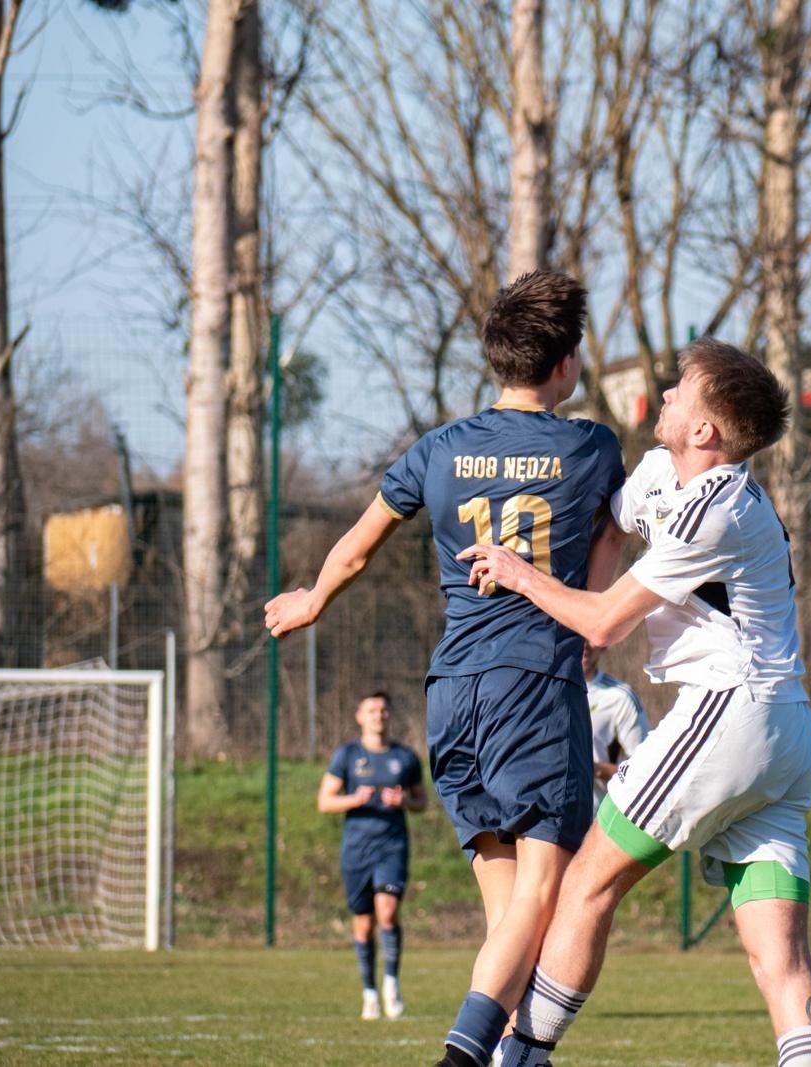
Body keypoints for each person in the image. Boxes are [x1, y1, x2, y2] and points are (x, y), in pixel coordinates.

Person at [266, 270, 626, 1067]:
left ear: (496, 357)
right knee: (544, 893)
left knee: (511, 916)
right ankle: (461, 1057)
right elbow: (612, 532)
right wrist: (593, 620)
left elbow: (361, 543)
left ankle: (513, 1059)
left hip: (453, 693)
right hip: (533, 687)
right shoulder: (592, 447)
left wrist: (313, 596)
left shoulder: (440, 448)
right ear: (566, 362)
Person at [461, 338, 811, 1067]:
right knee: (780, 961)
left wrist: (520, 573)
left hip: (729, 712)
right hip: (787, 733)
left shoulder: (719, 509)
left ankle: (521, 1057)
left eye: (679, 390)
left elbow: (606, 621)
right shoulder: (665, 473)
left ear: (705, 430)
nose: (664, 395)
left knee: (587, 883)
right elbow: (612, 524)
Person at [317, 691, 428, 1020]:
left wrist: (404, 802)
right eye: (371, 710)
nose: (378, 715)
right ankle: (369, 992)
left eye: (383, 710)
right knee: (364, 925)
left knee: (388, 912)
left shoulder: (405, 758)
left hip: (392, 846)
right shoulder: (347, 755)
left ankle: (391, 984)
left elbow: (421, 802)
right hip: (357, 849)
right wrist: (354, 799)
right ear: (359, 716)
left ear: (389, 715)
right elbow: (325, 801)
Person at [582, 642, 649, 814]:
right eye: (578, 633)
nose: (584, 644)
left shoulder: (620, 698)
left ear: (604, 644)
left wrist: (594, 769)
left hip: (596, 817)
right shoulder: (542, 692)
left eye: (590, 636)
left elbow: (645, 772)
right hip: (546, 818)